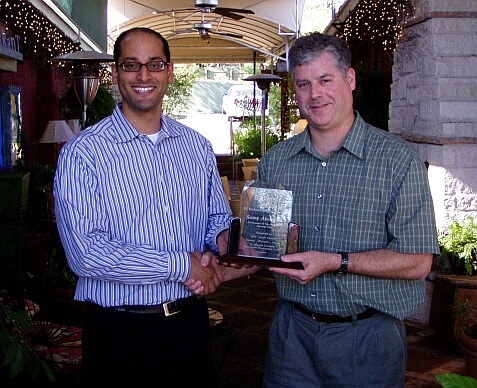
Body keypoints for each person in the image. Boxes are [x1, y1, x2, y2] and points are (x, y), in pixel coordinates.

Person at [190, 32, 440, 387]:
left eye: (325, 80)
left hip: (367, 338)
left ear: (349, 79)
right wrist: (219, 268)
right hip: (291, 337)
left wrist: (334, 261)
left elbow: (418, 261)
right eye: (304, 84)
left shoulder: (397, 160)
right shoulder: (277, 161)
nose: (315, 94)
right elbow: (266, 250)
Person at [54, 27, 231, 387]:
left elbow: (216, 217)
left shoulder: (196, 146)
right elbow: (85, 254)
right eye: (131, 65)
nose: (144, 76)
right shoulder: (83, 153)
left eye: (154, 64)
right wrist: (183, 265)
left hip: (189, 326)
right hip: (120, 334)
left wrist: (224, 243)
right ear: (116, 72)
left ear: (169, 70)